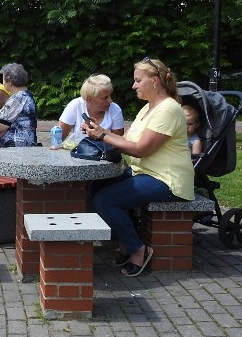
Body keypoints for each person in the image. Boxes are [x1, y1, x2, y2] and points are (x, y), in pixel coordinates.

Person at [83, 57, 195, 277]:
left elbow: (141, 149)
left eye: (137, 80)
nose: (133, 86)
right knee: (95, 187)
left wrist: (103, 136)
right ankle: (126, 241)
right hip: (145, 173)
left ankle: (138, 250)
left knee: (106, 200)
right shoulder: (147, 109)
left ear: (154, 82)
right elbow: (126, 140)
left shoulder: (168, 110)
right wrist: (100, 134)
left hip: (167, 179)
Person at [59, 74, 125, 149]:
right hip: (77, 152)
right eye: (105, 97)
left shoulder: (115, 109)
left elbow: (120, 145)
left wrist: (100, 133)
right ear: (89, 99)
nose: (110, 100)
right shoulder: (75, 105)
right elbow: (58, 139)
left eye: (110, 95)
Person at [0, 63, 38, 149]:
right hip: (28, 141)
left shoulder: (17, 99)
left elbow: (0, 129)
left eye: (3, 80)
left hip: (14, 143)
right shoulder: (27, 94)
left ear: (9, 82)